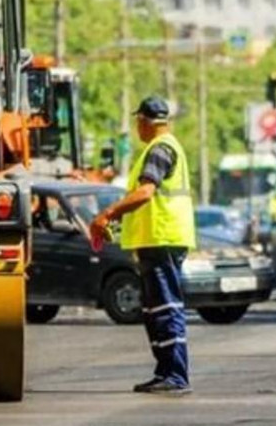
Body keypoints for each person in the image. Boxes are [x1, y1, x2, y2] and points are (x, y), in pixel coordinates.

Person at [92, 95, 196, 396]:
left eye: (138, 122)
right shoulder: (165, 146)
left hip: (162, 238)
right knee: (154, 311)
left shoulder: (159, 149)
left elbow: (145, 193)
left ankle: (176, 376)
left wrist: (108, 213)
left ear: (143, 122)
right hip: (158, 239)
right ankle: (165, 372)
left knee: (166, 308)